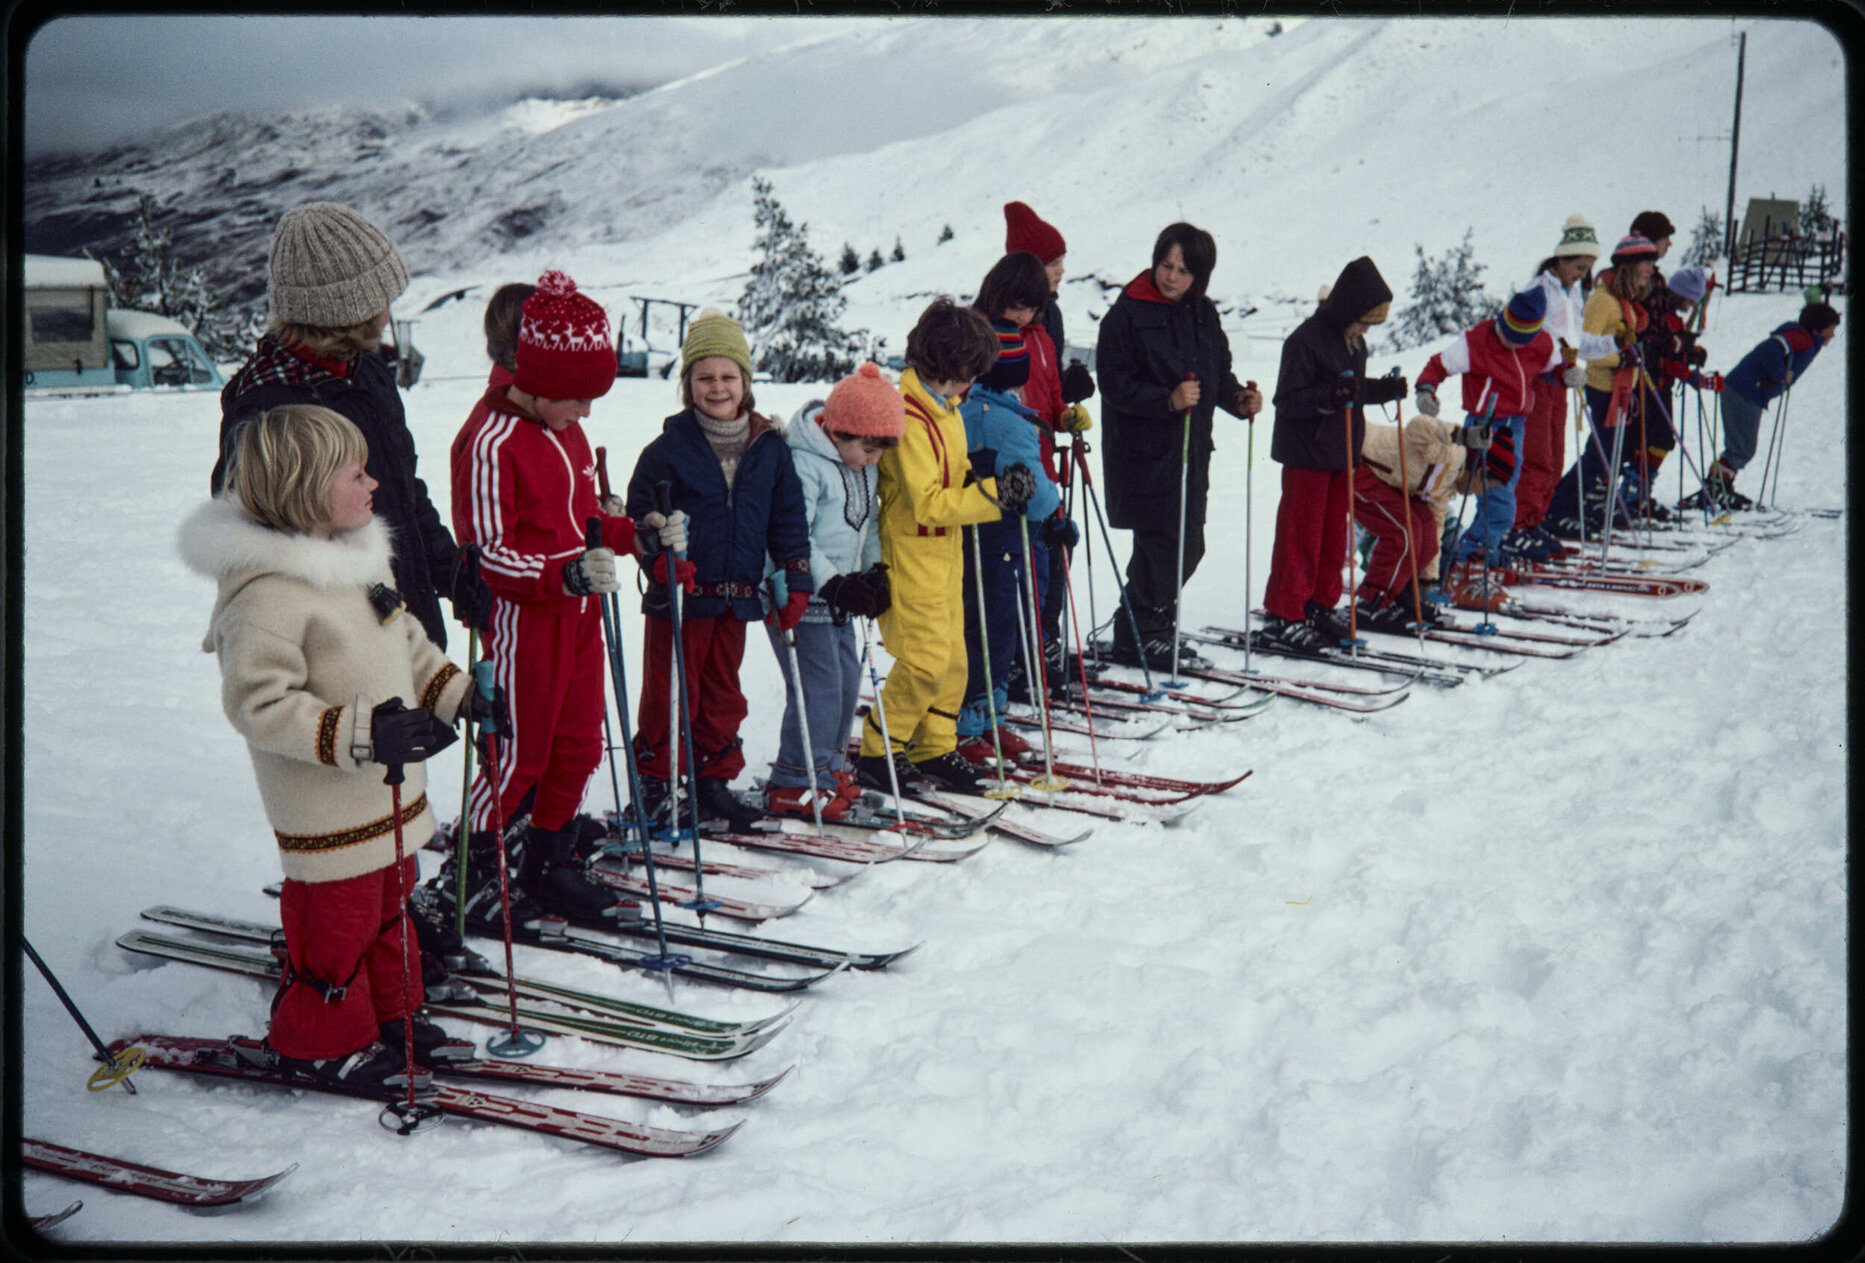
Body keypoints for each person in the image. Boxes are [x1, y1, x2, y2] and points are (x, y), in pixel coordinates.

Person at [180, 404, 480, 1092]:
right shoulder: (266, 597)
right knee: (334, 927)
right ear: (307, 486)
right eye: (356, 472)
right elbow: (258, 704)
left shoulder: (355, 564)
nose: (374, 484)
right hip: (324, 808)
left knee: (387, 908)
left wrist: (457, 693)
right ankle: (319, 1041)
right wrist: (362, 732)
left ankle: (391, 1017)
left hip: (385, 797)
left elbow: (406, 643)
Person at [449, 270, 663, 922]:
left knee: (579, 744)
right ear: (533, 376)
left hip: (577, 617)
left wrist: (639, 534)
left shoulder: (562, 427)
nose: (586, 413)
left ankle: (548, 858)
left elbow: (587, 523)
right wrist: (564, 575)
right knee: (519, 754)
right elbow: (486, 555)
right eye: (575, 397)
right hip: (523, 622)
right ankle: (476, 866)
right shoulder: (489, 441)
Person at [212, 202, 489, 650]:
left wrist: (448, 571)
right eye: (380, 302)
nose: (388, 314)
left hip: (412, 637)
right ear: (345, 311)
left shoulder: (366, 373)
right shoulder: (268, 410)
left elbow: (402, 489)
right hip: (343, 658)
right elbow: (258, 560)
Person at [624, 309, 810, 832]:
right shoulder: (666, 450)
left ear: (746, 382)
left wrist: (796, 577)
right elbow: (641, 516)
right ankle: (658, 780)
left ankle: (711, 780)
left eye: (729, 376)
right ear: (687, 384)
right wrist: (655, 551)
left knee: (723, 692)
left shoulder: (769, 448)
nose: (717, 387)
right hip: (680, 596)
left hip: (737, 595)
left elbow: (788, 519)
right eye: (704, 377)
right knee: (668, 690)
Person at [853, 298, 1031, 793]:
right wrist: (995, 495)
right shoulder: (907, 415)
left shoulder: (944, 407)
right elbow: (928, 501)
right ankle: (879, 748)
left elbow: (950, 476)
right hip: (911, 556)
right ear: (943, 366)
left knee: (953, 660)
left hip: (944, 555)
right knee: (924, 661)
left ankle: (933, 746)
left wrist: (986, 477)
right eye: (966, 372)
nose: (970, 384)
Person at [1096, 222, 1264, 668]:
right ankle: (1140, 631)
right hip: (1143, 453)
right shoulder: (1127, 314)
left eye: (1183, 270)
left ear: (1200, 276)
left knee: (1190, 545)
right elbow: (1113, 384)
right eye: (1166, 265)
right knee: (1163, 543)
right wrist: (1165, 400)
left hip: (1190, 451)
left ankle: (1144, 622)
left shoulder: (1202, 314)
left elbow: (1217, 374)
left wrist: (1236, 399)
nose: (1171, 277)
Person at [762, 364, 902, 821]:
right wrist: (835, 582)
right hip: (800, 594)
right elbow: (793, 535)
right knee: (818, 688)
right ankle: (795, 780)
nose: (873, 459)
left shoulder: (860, 465)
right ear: (838, 432)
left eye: (881, 451)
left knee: (844, 684)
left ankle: (829, 769)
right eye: (867, 448)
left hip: (839, 601)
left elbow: (868, 526)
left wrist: (872, 571)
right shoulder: (803, 463)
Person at [1259, 255, 1404, 652]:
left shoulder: (1352, 342)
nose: (1365, 330)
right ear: (1346, 308)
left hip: (1340, 453)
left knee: (1333, 538)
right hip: (1307, 455)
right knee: (1300, 537)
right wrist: (1327, 396)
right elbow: (1287, 400)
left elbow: (1351, 390)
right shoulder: (1305, 341)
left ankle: (1320, 604)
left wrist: (1382, 391)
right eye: (1363, 321)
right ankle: (1284, 613)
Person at [955, 316, 1062, 767]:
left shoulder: (960, 413)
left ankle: (979, 716)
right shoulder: (1015, 426)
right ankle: (977, 719)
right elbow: (1036, 496)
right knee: (997, 625)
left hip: (962, 537)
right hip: (1002, 540)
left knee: (971, 624)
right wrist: (1055, 513)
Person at [1414, 286, 1562, 581]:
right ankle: (1472, 555)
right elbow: (1438, 365)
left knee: (1502, 494)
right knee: (1500, 504)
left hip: (1516, 427)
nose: (1511, 344)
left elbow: (1551, 368)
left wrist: (1565, 375)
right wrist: (1425, 389)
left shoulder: (1540, 342)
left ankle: (1481, 551)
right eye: (1508, 334)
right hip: (1484, 427)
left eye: (1521, 341)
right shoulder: (1476, 341)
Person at [1003, 203, 1096, 667]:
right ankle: (1021, 649)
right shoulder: (999, 324)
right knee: (1025, 559)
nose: (1061, 271)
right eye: (1052, 262)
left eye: (1061, 260)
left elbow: (1048, 384)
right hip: (1014, 464)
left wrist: (1065, 410)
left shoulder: (1047, 320)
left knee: (1054, 550)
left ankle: (1045, 638)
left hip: (1044, 455)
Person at [1501, 215, 1615, 561]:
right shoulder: (1538, 291)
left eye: (1588, 268)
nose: (1583, 274)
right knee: (1536, 456)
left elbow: (1575, 341)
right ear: (1562, 258)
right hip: (1537, 384)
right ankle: (1516, 526)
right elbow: (1526, 340)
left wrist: (1615, 346)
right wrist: (1558, 366)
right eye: (1579, 266)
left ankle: (1535, 520)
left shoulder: (1571, 293)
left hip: (1560, 383)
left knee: (1553, 457)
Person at [1544, 233, 1657, 536]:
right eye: (1645, 263)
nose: (1650, 269)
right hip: (1603, 387)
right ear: (1629, 266)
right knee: (1599, 457)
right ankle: (1559, 508)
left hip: (1620, 389)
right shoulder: (1604, 301)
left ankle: (1574, 505)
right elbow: (1585, 347)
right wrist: (1619, 360)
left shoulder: (1623, 301)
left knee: (1610, 456)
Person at [1683, 301, 1841, 510]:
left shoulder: (1806, 339)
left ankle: (1718, 487)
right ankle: (1715, 491)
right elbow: (1773, 346)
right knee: (1742, 448)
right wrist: (1779, 374)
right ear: (1818, 328)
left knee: (1740, 447)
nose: (1833, 334)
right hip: (1745, 391)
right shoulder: (1802, 338)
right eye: (1830, 329)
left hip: (1746, 391)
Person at [1350, 412, 1488, 630]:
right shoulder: (1453, 456)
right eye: (1485, 486)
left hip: (1382, 479)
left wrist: (1425, 583)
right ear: (1479, 472)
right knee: (1404, 531)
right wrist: (1459, 435)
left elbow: (1433, 526)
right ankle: (1371, 602)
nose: (1477, 494)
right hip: (1359, 461)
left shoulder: (1447, 488)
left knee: (1426, 530)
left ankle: (1402, 593)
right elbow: (1417, 426)